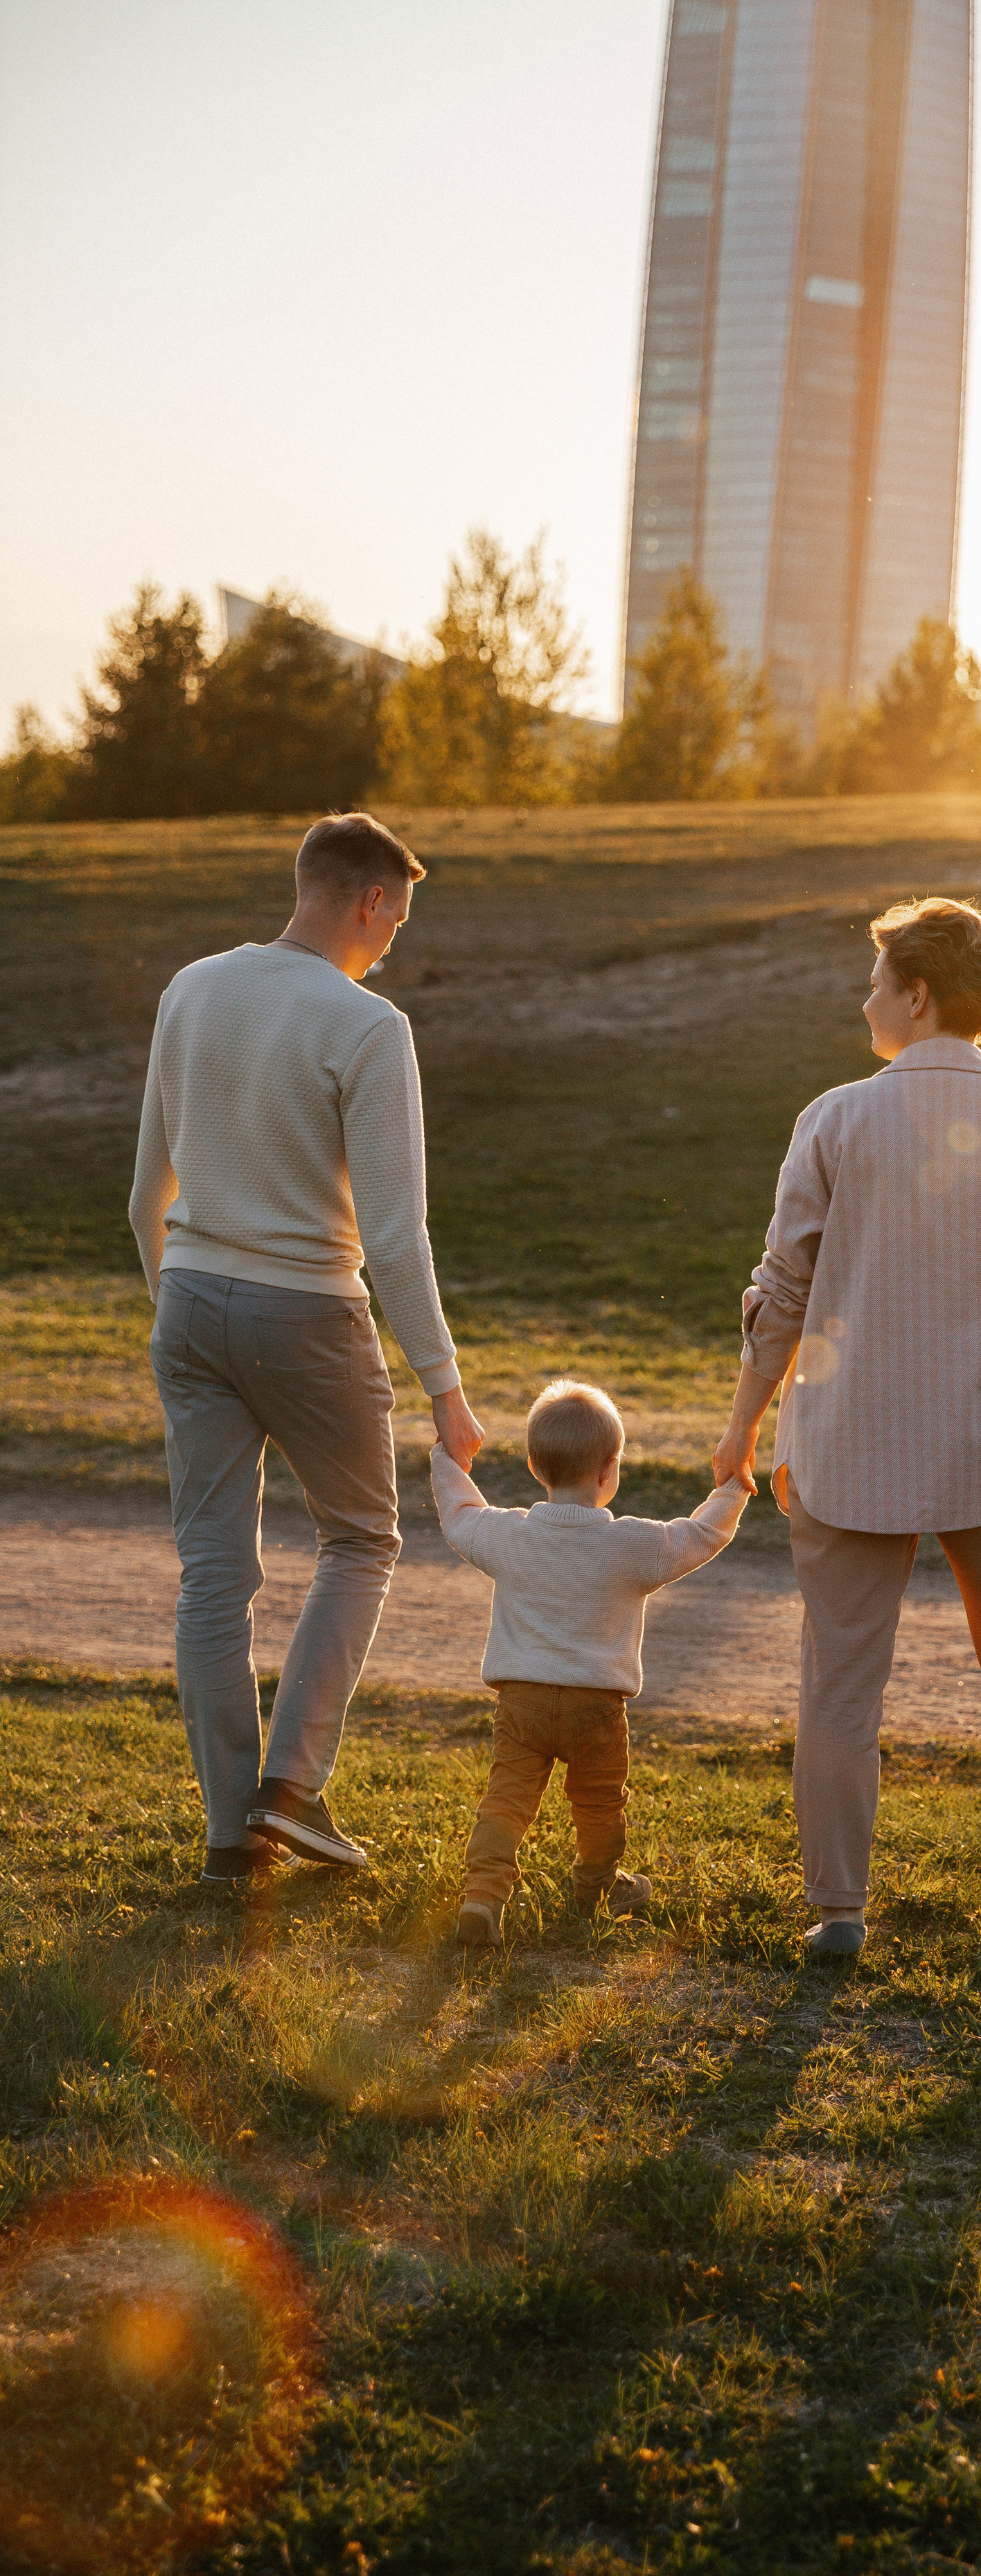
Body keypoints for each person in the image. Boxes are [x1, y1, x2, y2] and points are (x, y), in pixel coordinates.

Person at [712, 896, 981, 1959]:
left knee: (841, 1677)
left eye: (876, 983)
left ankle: (839, 1908)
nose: (866, 1001)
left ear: (919, 993)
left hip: (848, 1443)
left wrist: (741, 1430)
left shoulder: (835, 1120)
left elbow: (781, 1297)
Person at [130, 810, 482, 1890]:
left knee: (214, 1576)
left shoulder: (190, 988)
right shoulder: (368, 1026)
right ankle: (290, 1789)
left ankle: (232, 1838)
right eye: (398, 917)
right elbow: (392, 1236)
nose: (396, 943)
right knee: (362, 1541)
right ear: (370, 899)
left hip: (187, 1299)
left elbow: (147, 1195)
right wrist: (446, 1389)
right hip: (308, 1314)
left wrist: (180, 1305)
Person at [431, 1379, 750, 1950]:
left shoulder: (508, 1535)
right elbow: (703, 1534)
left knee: (506, 1798)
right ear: (610, 1470)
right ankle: (596, 1886)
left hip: (521, 1703)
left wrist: (446, 1458)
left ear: (534, 1465)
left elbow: (458, 1514)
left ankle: (482, 1896)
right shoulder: (635, 1546)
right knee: (601, 1805)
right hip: (597, 1710)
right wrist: (734, 1484)